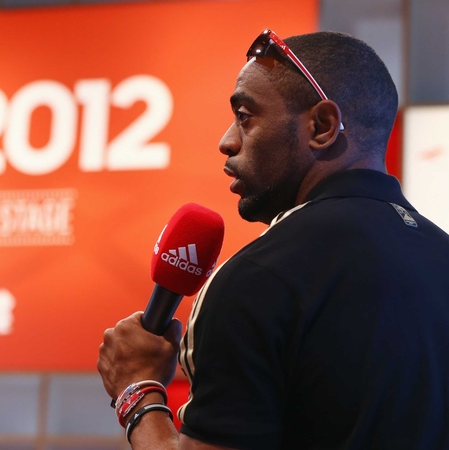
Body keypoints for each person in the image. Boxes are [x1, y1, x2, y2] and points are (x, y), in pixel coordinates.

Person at [97, 29, 449, 449]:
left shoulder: (258, 278)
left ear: (321, 126)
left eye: (245, 116)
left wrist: (138, 390)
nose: (227, 141)